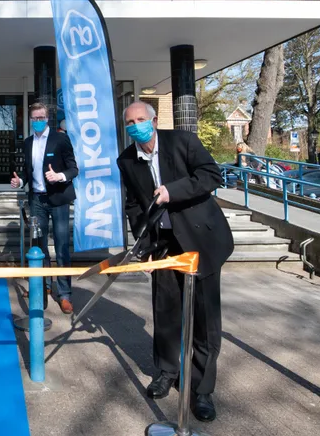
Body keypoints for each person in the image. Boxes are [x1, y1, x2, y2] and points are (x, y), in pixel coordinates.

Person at [117, 101, 233, 423]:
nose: (136, 125)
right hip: (164, 245)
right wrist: (142, 241)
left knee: (205, 319)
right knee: (166, 312)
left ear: (154, 121)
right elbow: (133, 204)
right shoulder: (126, 160)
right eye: (130, 122)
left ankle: (201, 389)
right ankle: (167, 372)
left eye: (141, 119)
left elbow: (212, 175)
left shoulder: (183, 142)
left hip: (201, 241)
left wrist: (172, 191)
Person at [11, 103, 78, 313]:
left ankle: (65, 294)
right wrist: (20, 182)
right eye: (34, 118)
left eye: (41, 117)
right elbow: (27, 171)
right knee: (39, 248)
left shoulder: (61, 139)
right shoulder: (28, 142)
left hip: (58, 199)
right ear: (30, 120)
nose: (37, 121)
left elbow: (73, 168)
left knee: (61, 247)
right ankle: (43, 288)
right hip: (37, 201)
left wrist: (60, 176)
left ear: (47, 118)